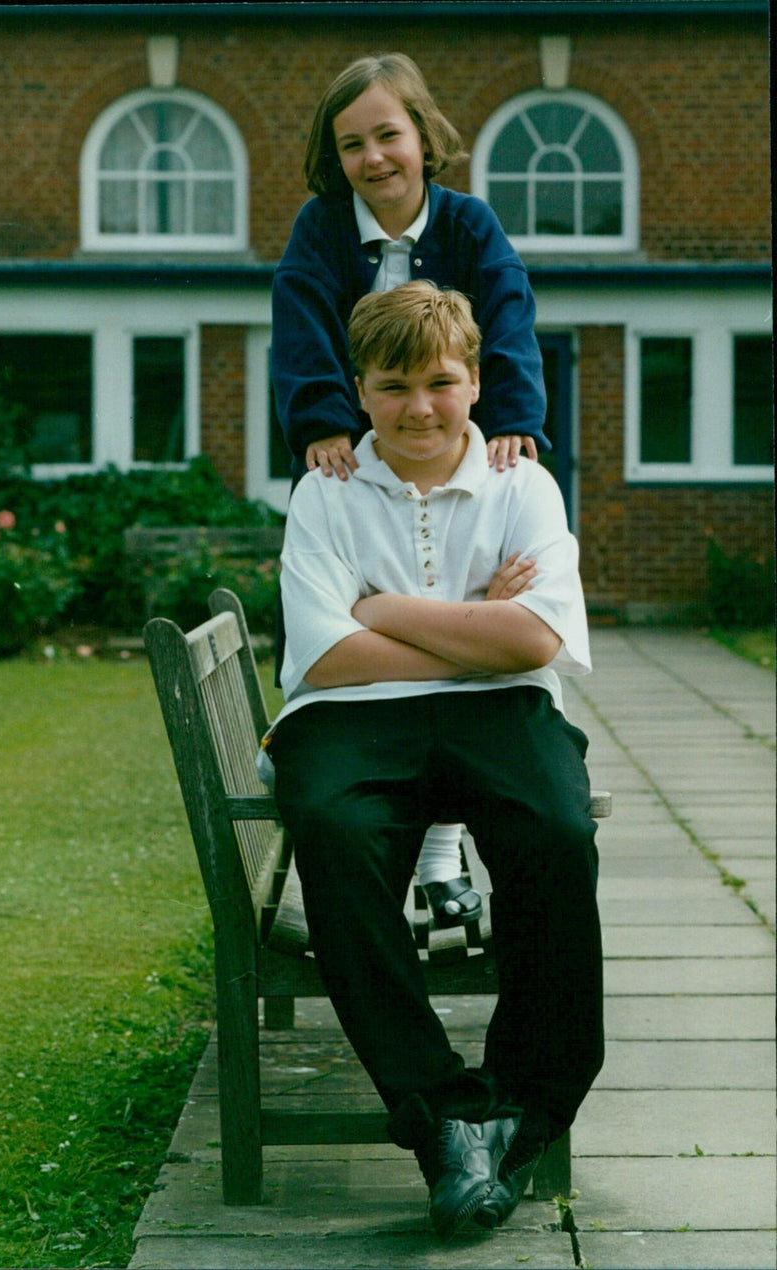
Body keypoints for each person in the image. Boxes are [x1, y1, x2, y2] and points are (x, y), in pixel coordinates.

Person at [262, 282, 604, 1238]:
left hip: (504, 712)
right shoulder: (325, 492)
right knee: (333, 829)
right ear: (360, 391)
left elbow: (535, 642)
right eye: (394, 384)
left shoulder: (522, 484)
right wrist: (474, 625)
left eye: (441, 382)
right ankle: (443, 1121)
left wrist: (380, 609)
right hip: (349, 718)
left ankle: (522, 1104)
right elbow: (324, 659)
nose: (420, 406)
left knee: (555, 830)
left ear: (476, 381)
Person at [271, 52, 548, 926]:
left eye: (389, 134)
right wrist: (321, 421)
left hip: (453, 444)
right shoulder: (321, 229)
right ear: (336, 158)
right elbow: (301, 317)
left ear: (424, 136)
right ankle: (391, 863)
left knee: (453, 594)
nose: (374, 157)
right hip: (360, 456)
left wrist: (510, 415)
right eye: (352, 144)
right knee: (374, 616)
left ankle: (436, 861)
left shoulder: (468, 222)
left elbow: (505, 313)